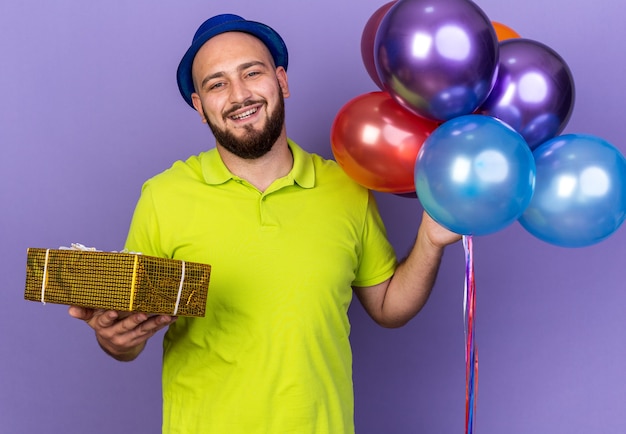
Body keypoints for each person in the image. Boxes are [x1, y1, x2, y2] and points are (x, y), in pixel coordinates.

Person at [69, 13, 461, 434]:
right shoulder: (164, 197)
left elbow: (387, 306)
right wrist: (115, 340)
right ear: (201, 107)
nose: (239, 95)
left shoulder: (345, 188)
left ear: (281, 81)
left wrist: (430, 240)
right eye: (216, 84)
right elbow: (133, 325)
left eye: (251, 73)